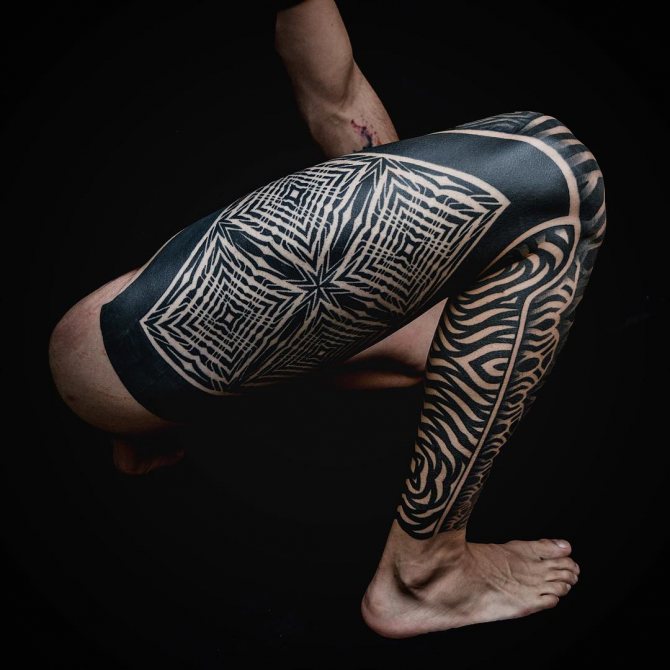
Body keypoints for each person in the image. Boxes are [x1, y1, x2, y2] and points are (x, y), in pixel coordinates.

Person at [48, 0, 605, 638]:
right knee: (556, 173)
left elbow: (337, 99)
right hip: (116, 343)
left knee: (448, 323)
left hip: (138, 361)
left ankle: (155, 412)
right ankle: (424, 572)